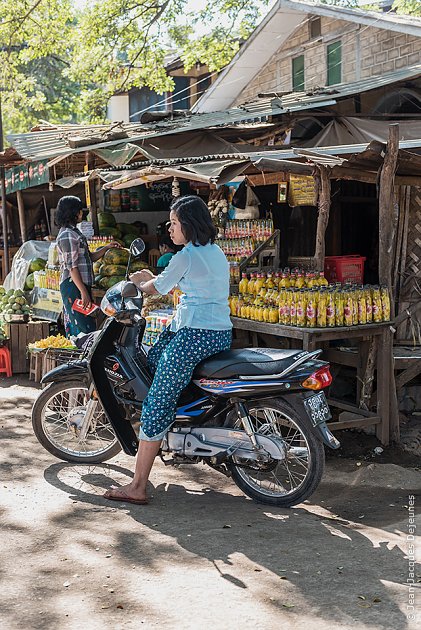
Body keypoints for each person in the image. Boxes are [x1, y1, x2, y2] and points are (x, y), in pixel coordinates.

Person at [103, 195, 232, 505]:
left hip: (194, 335)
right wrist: (154, 280)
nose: (170, 229)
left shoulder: (185, 256)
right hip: (219, 333)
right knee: (157, 356)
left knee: (156, 403)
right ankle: (176, 425)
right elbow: (178, 284)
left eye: (174, 223)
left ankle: (137, 486)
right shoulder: (214, 252)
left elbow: (158, 288)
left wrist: (141, 284)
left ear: (188, 225)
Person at [56, 196, 120, 337]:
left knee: (86, 325)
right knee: (81, 329)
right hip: (73, 286)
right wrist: (83, 292)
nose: (82, 214)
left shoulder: (74, 232)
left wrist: (106, 248)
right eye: (80, 211)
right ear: (73, 212)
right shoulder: (67, 235)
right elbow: (72, 268)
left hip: (79, 285)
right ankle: (80, 358)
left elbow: (89, 257)